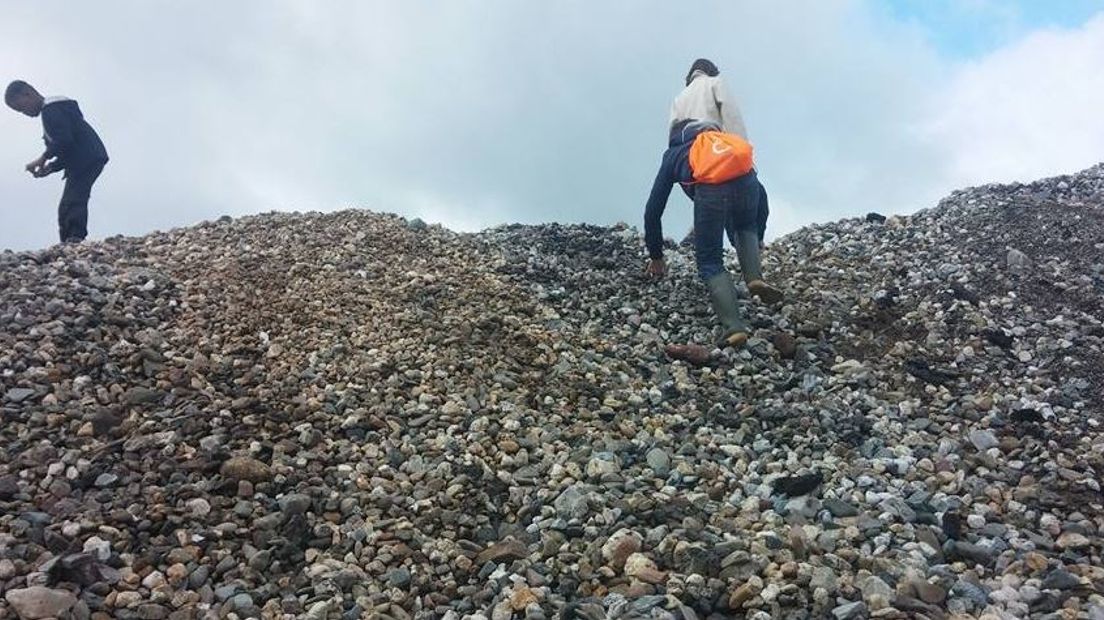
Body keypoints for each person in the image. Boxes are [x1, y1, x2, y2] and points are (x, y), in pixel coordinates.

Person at [644, 120, 783, 348]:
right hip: (747, 184)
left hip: (711, 192)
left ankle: (734, 327)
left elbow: (653, 210)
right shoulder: (727, 144)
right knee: (744, 225)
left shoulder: (674, 153)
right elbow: (761, 193)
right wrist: (759, 235)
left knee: (710, 261)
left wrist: (656, 256)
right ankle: (754, 277)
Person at [670, 58, 768, 248]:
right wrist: (745, 157)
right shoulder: (715, 83)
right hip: (719, 152)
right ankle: (752, 246)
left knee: (712, 202)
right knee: (756, 196)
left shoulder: (679, 98)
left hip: (692, 161)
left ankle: (698, 237)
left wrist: (679, 169)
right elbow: (732, 118)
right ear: (712, 71)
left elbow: (673, 136)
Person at [5, 80, 109, 244]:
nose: (23, 112)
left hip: (86, 158)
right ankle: (69, 241)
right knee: (68, 204)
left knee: (73, 200)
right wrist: (51, 167)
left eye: (21, 107)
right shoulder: (55, 110)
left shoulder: (51, 110)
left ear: (28, 94)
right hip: (85, 157)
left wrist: (43, 158)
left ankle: (74, 240)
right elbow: (67, 147)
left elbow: (64, 141)